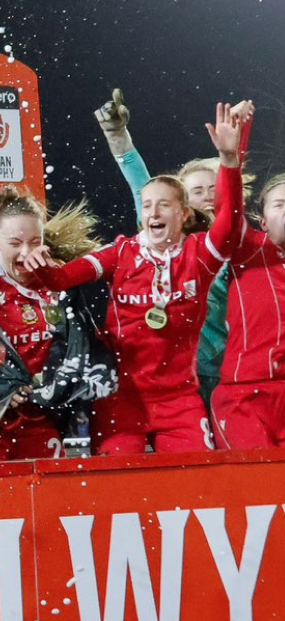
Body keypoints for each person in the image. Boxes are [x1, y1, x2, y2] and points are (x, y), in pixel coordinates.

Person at [22, 102, 249, 455]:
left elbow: (230, 221)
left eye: (164, 205)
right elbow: (59, 280)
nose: (153, 213)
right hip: (121, 398)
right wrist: (41, 265)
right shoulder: (122, 252)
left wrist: (231, 159)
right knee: (119, 485)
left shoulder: (200, 255)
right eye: (146, 206)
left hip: (181, 400)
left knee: (199, 485)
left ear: (184, 214)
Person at [96, 95, 252, 406]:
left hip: (228, 367)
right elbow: (139, 182)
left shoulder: (232, 239)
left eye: (212, 188)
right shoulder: (158, 236)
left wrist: (239, 131)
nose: (208, 196)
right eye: (197, 191)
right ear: (180, 203)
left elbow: (231, 185)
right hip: (174, 373)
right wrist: (117, 136)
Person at [205, 113, 282, 448]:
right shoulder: (249, 248)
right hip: (244, 397)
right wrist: (231, 157)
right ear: (262, 221)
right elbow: (228, 210)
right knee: (259, 492)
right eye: (281, 204)